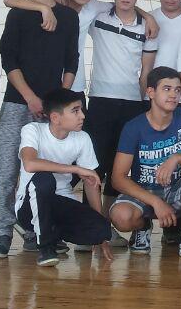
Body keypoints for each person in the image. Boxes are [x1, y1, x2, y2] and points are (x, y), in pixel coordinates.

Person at [0, 0, 79, 258]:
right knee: (8, 170)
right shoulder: (18, 13)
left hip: (51, 112)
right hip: (18, 103)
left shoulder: (69, 17)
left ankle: (38, 231)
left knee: (44, 174)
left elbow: (71, 61)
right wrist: (29, 96)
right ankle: (2, 233)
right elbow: (9, 59)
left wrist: (58, 103)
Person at [83, 0, 159, 252]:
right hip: (100, 101)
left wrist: (145, 106)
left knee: (120, 168)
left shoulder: (148, 28)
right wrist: (148, 13)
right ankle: (89, 230)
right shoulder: (98, 14)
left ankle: (107, 227)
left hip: (132, 105)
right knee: (94, 166)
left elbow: (146, 71)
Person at [108, 67, 181, 260]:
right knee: (121, 216)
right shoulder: (133, 127)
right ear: (150, 92)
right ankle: (143, 227)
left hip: (177, 190)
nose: (174, 95)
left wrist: (177, 158)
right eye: (167, 89)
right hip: (145, 193)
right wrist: (155, 202)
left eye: (177, 89)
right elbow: (117, 178)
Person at [2, 0, 156, 97]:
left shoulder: (94, 8)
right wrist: (44, 8)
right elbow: (9, 0)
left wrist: (148, 17)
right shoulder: (51, 6)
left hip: (75, 88)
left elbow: (123, 4)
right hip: (40, 84)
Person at [14, 88, 113, 267]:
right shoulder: (32, 129)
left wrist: (99, 227)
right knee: (44, 179)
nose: (82, 116)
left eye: (81, 110)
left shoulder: (82, 138)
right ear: (55, 118)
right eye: (75, 111)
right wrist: (76, 169)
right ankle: (45, 247)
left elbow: (91, 183)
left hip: (60, 202)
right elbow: (30, 163)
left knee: (101, 230)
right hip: (28, 206)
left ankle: (50, 232)